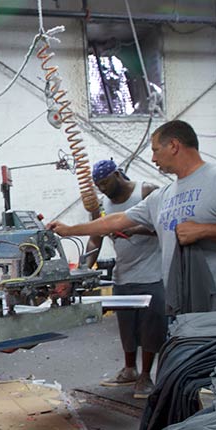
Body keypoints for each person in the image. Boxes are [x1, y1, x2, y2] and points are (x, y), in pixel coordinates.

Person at [48, 120, 216, 316]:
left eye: (156, 150)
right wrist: (69, 230)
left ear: (174, 146)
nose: (153, 158)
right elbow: (116, 220)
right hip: (183, 304)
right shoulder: (163, 195)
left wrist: (204, 230)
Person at [85, 159, 166, 399]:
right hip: (124, 273)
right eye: (98, 185)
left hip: (152, 273)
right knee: (127, 327)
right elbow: (94, 239)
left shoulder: (146, 191)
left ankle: (146, 376)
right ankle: (130, 369)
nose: (103, 189)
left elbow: (165, 227)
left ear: (118, 174)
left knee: (151, 326)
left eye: (105, 182)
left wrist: (134, 228)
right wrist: (84, 268)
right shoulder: (101, 206)